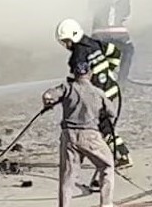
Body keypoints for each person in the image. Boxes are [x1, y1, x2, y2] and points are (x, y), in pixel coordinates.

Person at [55, 18, 133, 168]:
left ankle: (122, 155)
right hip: (111, 89)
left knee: (102, 126)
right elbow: (115, 52)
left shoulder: (78, 57)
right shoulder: (94, 43)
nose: (65, 45)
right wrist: (108, 70)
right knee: (104, 124)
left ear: (73, 37)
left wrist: (60, 96)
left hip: (99, 95)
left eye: (66, 41)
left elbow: (77, 83)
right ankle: (114, 154)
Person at [42, 60, 116, 207]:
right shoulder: (98, 93)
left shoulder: (67, 88)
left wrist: (48, 104)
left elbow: (48, 95)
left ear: (75, 74)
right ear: (90, 74)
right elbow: (112, 112)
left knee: (67, 176)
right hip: (90, 135)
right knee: (106, 166)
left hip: (69, 136)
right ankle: (106, 204)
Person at [88, 0, 135, 80]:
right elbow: (126, 14)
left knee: (95, 53)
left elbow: (91, 9)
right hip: (118, 33)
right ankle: (122, 81)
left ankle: (95, 78)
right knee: (128, 50)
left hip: (98, 33)